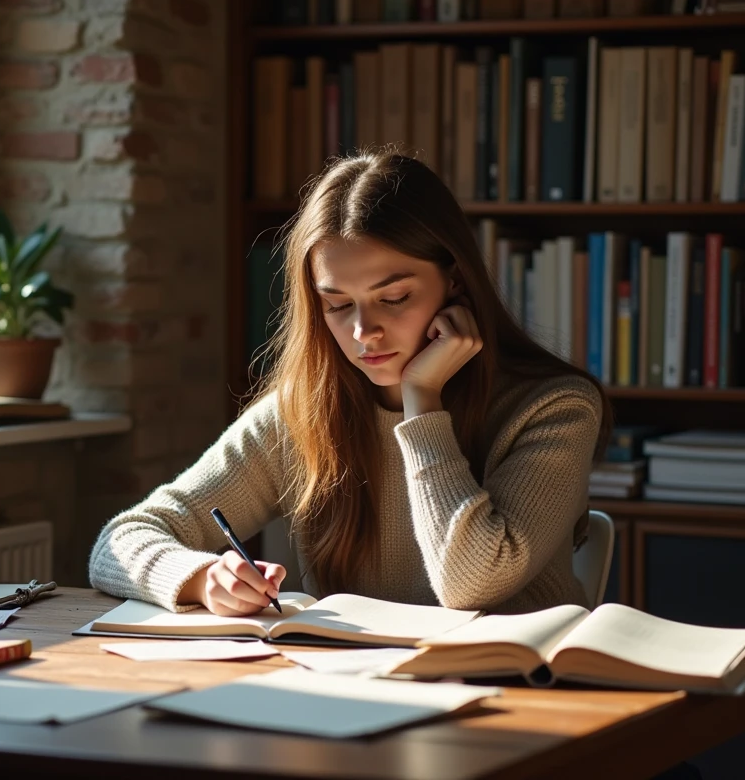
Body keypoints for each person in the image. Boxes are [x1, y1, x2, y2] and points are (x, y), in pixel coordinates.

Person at [89, 149, 612, 616]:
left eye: (394, 297)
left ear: (454, 279)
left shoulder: (555, 407)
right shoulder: (306, 411)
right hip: (353, 694)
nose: (365, 331)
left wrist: (422, 403)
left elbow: (470, 585)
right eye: (338, 305)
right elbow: (120, 540)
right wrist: (202, 579)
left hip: (518, 698)